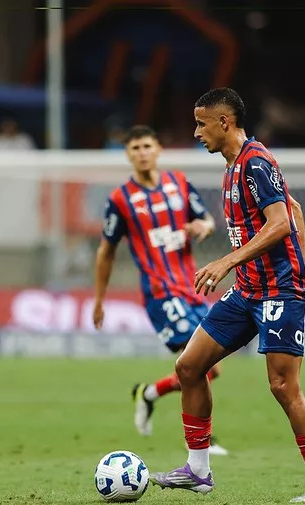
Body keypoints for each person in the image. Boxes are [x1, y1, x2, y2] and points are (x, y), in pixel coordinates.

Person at [149, 88, 305, 504]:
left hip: (278, 293)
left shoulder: (256, 162)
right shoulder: (233, 166)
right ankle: (198, 471)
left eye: (201, 124)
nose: (196, 132)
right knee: (189, 367)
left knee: (283, 387)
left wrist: (229, 262)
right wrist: (304, 268)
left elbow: (281, 222)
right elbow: (294, 209)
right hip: (248, 291)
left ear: (224, 122)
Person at [92, 124, 228, 456]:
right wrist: (99, 300)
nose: (142, 153)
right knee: (197, 366)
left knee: (212, 368)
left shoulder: (179, 183)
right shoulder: (120, 200)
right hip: (160, 292)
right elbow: (106, 251)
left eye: (146, 146)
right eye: (135, 148)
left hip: (192, 287)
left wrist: (203, 227)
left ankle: (149, 393)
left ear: (158, 149)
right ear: (128, 155)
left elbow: (207, 220)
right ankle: (202, 442)